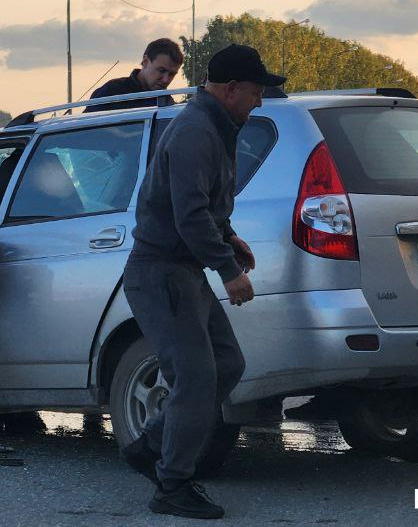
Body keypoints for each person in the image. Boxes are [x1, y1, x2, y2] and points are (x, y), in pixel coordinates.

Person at [120, 44, 285, 519]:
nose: (259, 102)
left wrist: (229, 237)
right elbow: (188, 214)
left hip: (182, 270)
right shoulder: (196, 130)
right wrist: (228, 270)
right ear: (231, 88)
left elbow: (204, 207)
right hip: (161, 273)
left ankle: (150, 445)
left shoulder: (216, 125)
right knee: (194, 378)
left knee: (227, 363)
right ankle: (172, 486)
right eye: (255, 93)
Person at [86, 38, 183, 112]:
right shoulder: (111, 93)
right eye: (161, 70)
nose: (166, 80)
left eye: (172, 74)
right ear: (145, 61)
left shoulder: (166, 103)